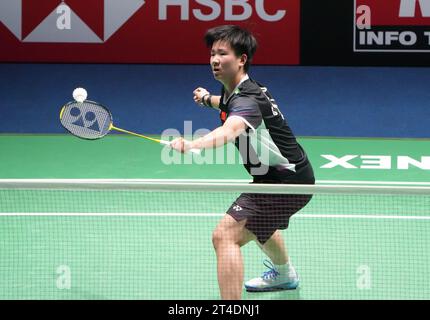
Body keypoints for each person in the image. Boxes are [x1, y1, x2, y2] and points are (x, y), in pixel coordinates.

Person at [170, 25, 315, 300]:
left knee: (224, 236)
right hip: (282, 175)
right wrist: (206, 100)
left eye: (222, 53)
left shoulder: (247, 98)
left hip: (284, 181)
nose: (214, 59)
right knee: (259, 224)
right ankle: (285, 275)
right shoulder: (236, 88)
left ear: (241, 59)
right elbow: (227, 105)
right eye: (212, 53)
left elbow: (230, 130)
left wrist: (191, 145)